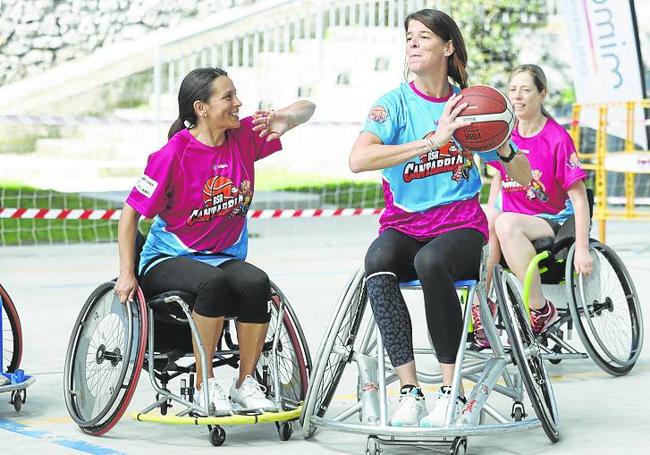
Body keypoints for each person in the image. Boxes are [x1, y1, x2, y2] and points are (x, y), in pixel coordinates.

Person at [348, 9, 531, 427]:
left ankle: (451, 392)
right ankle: (410, 390)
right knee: (377, 261)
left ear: (448, 47)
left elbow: (522, 174)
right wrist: (433, 141)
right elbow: (359, 159)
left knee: (431, 262)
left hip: (460, 227)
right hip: (404, 226)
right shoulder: (392, 104)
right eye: (408, 37)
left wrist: (502, 146)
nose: (412, 43)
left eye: (424, 37)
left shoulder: (470, 106)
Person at [114, 67, 315, 414]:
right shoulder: (172, 155)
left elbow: (308, 107)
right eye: (228, 97)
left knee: (256, 282)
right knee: (214, 283)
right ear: (201, 108)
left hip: (221, 256)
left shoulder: (243, 138)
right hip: (169, 258)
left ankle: (244, 384)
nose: (238, 103)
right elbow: (130, 214)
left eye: (236, 95)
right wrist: (126, 273)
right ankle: (205, 385)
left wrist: (284, 118)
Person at [471, 64, 593, 349]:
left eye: (526, 90)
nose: (518, 96)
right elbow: (500, 180)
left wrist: (584, 248)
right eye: (513, 90)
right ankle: (482, 310)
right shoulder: (504, 134)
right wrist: (488, 215)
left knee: (505, 223)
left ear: (542, 94)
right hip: (509, 219)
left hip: (548, 220)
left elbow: (579, 197)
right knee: (486, 217)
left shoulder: (557, 139)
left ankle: (540, 310)